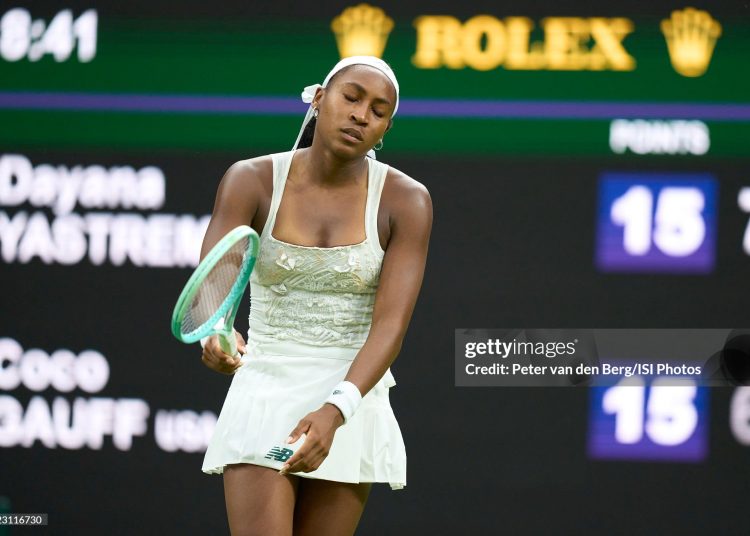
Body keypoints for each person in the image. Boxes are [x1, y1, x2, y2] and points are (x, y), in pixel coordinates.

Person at [198, 55, 432, 536]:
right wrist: (216, 334)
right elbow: (212, 289)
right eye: (351, 97)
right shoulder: (251, 179)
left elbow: (391, 325)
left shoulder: (407, 201)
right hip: (265, 386)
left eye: (379, 109)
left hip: (351, 397)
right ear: (320, 99)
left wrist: (336, 410)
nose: (361, 114)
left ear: (386, 126)